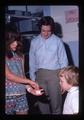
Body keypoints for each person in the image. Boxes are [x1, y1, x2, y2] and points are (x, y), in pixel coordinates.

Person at [29, 16, 68, 114]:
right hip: (40, 75)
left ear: (52, 29)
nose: (46, 33)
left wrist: (64, 81)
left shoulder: (58, 42)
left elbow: (64, 62)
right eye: (43, 31)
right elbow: (32, 62)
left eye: (49, 31)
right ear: (40, 29)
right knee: (42, 105)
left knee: (56, 105)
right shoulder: (34, 42)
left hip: (55, 75)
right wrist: (33, 81)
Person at [5, 23, 43, 115]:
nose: (16, 43)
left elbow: (22, 76)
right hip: (7, 96)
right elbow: (8, 75)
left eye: (17, 40)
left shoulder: (20, 55)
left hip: (22, 95)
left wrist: (30, 89)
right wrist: (30, 82)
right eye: (12, 41)